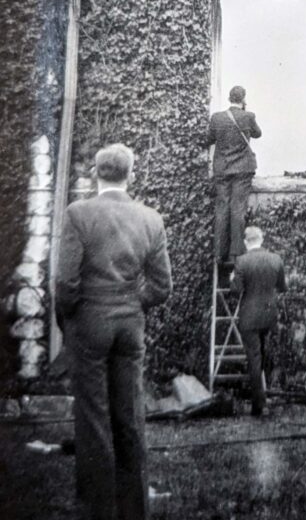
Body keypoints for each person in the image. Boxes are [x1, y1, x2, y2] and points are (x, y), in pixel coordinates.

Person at [56, 143, 172, 520]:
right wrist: (133, 302)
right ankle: (134, 509)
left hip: (89, 321)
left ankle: (99, 510)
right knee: (130, 415)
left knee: (92, 418)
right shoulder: (150, 218)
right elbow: (161, 286)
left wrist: (68, 320)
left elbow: (66, 283)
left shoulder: (78, 213)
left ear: (95, 173)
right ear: (131, 175)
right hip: (129, 324)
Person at [230, 226, 286, 417]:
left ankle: (259, 404)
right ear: (262, 239)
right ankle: (262, 397)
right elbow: (282, 287)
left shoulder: (241, 261)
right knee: (262, 354)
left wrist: (232, 279)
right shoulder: (275, 259)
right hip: (269, 316)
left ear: (246, 242)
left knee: (254, 358)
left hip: (249, 317)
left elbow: (236, 291)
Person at [207, 85, 262, 263]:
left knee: (222, 208)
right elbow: (258, 134)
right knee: (238, 209)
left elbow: (208, 139)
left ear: (229, 99)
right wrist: (245, 112)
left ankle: (218, 253)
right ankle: (235, 253)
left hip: (222, 170)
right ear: (243, 99)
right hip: (242, 169)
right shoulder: (248, 116)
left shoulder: (217, 118)